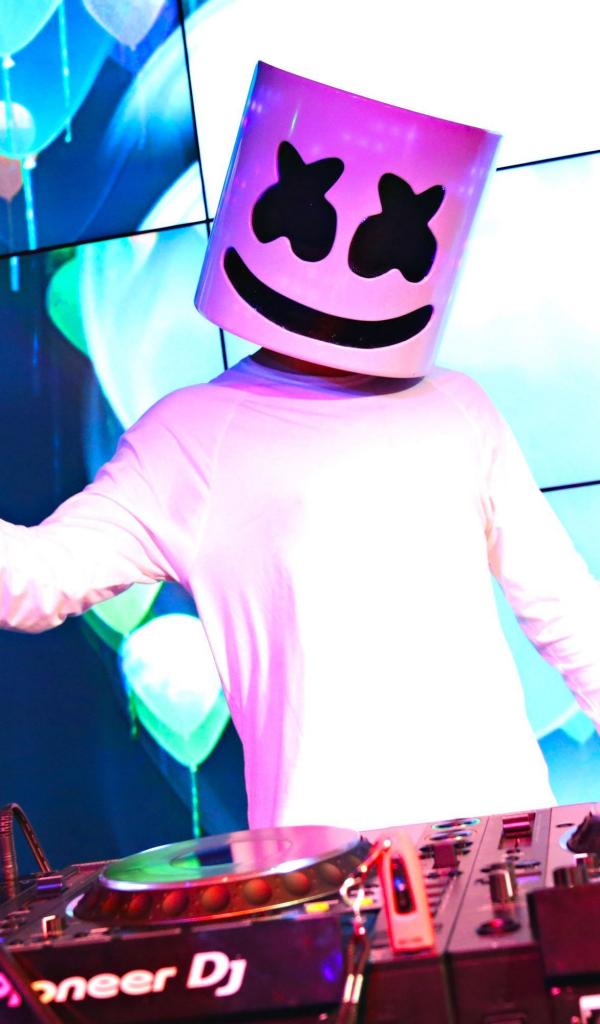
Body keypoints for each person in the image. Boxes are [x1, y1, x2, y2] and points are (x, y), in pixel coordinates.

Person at [2, 64, 599, 831]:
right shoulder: (191, 437)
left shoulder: (458, 407)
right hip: (324, 861)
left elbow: (564, 610)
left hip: (504, 833)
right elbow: (36, 580)